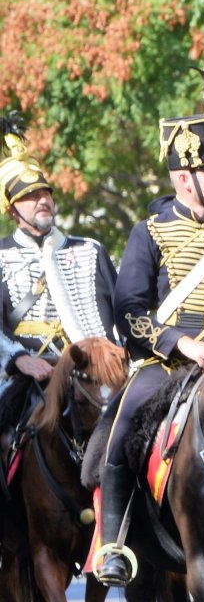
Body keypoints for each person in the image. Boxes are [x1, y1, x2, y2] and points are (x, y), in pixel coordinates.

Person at [91, 54, 204, 587]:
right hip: (167, 364)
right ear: (183, 178)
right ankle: (114, 544)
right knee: (123, 428)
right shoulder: (149, 232)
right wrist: (181, 344)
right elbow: (129, 312)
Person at [0, 113, 118, 444]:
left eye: (45, 193)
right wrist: (19, 359)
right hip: (29, 374)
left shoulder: (90, 250)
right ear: (12, 210)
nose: (42, 200)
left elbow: (118, 313)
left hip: (91, 374)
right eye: (29, 196)